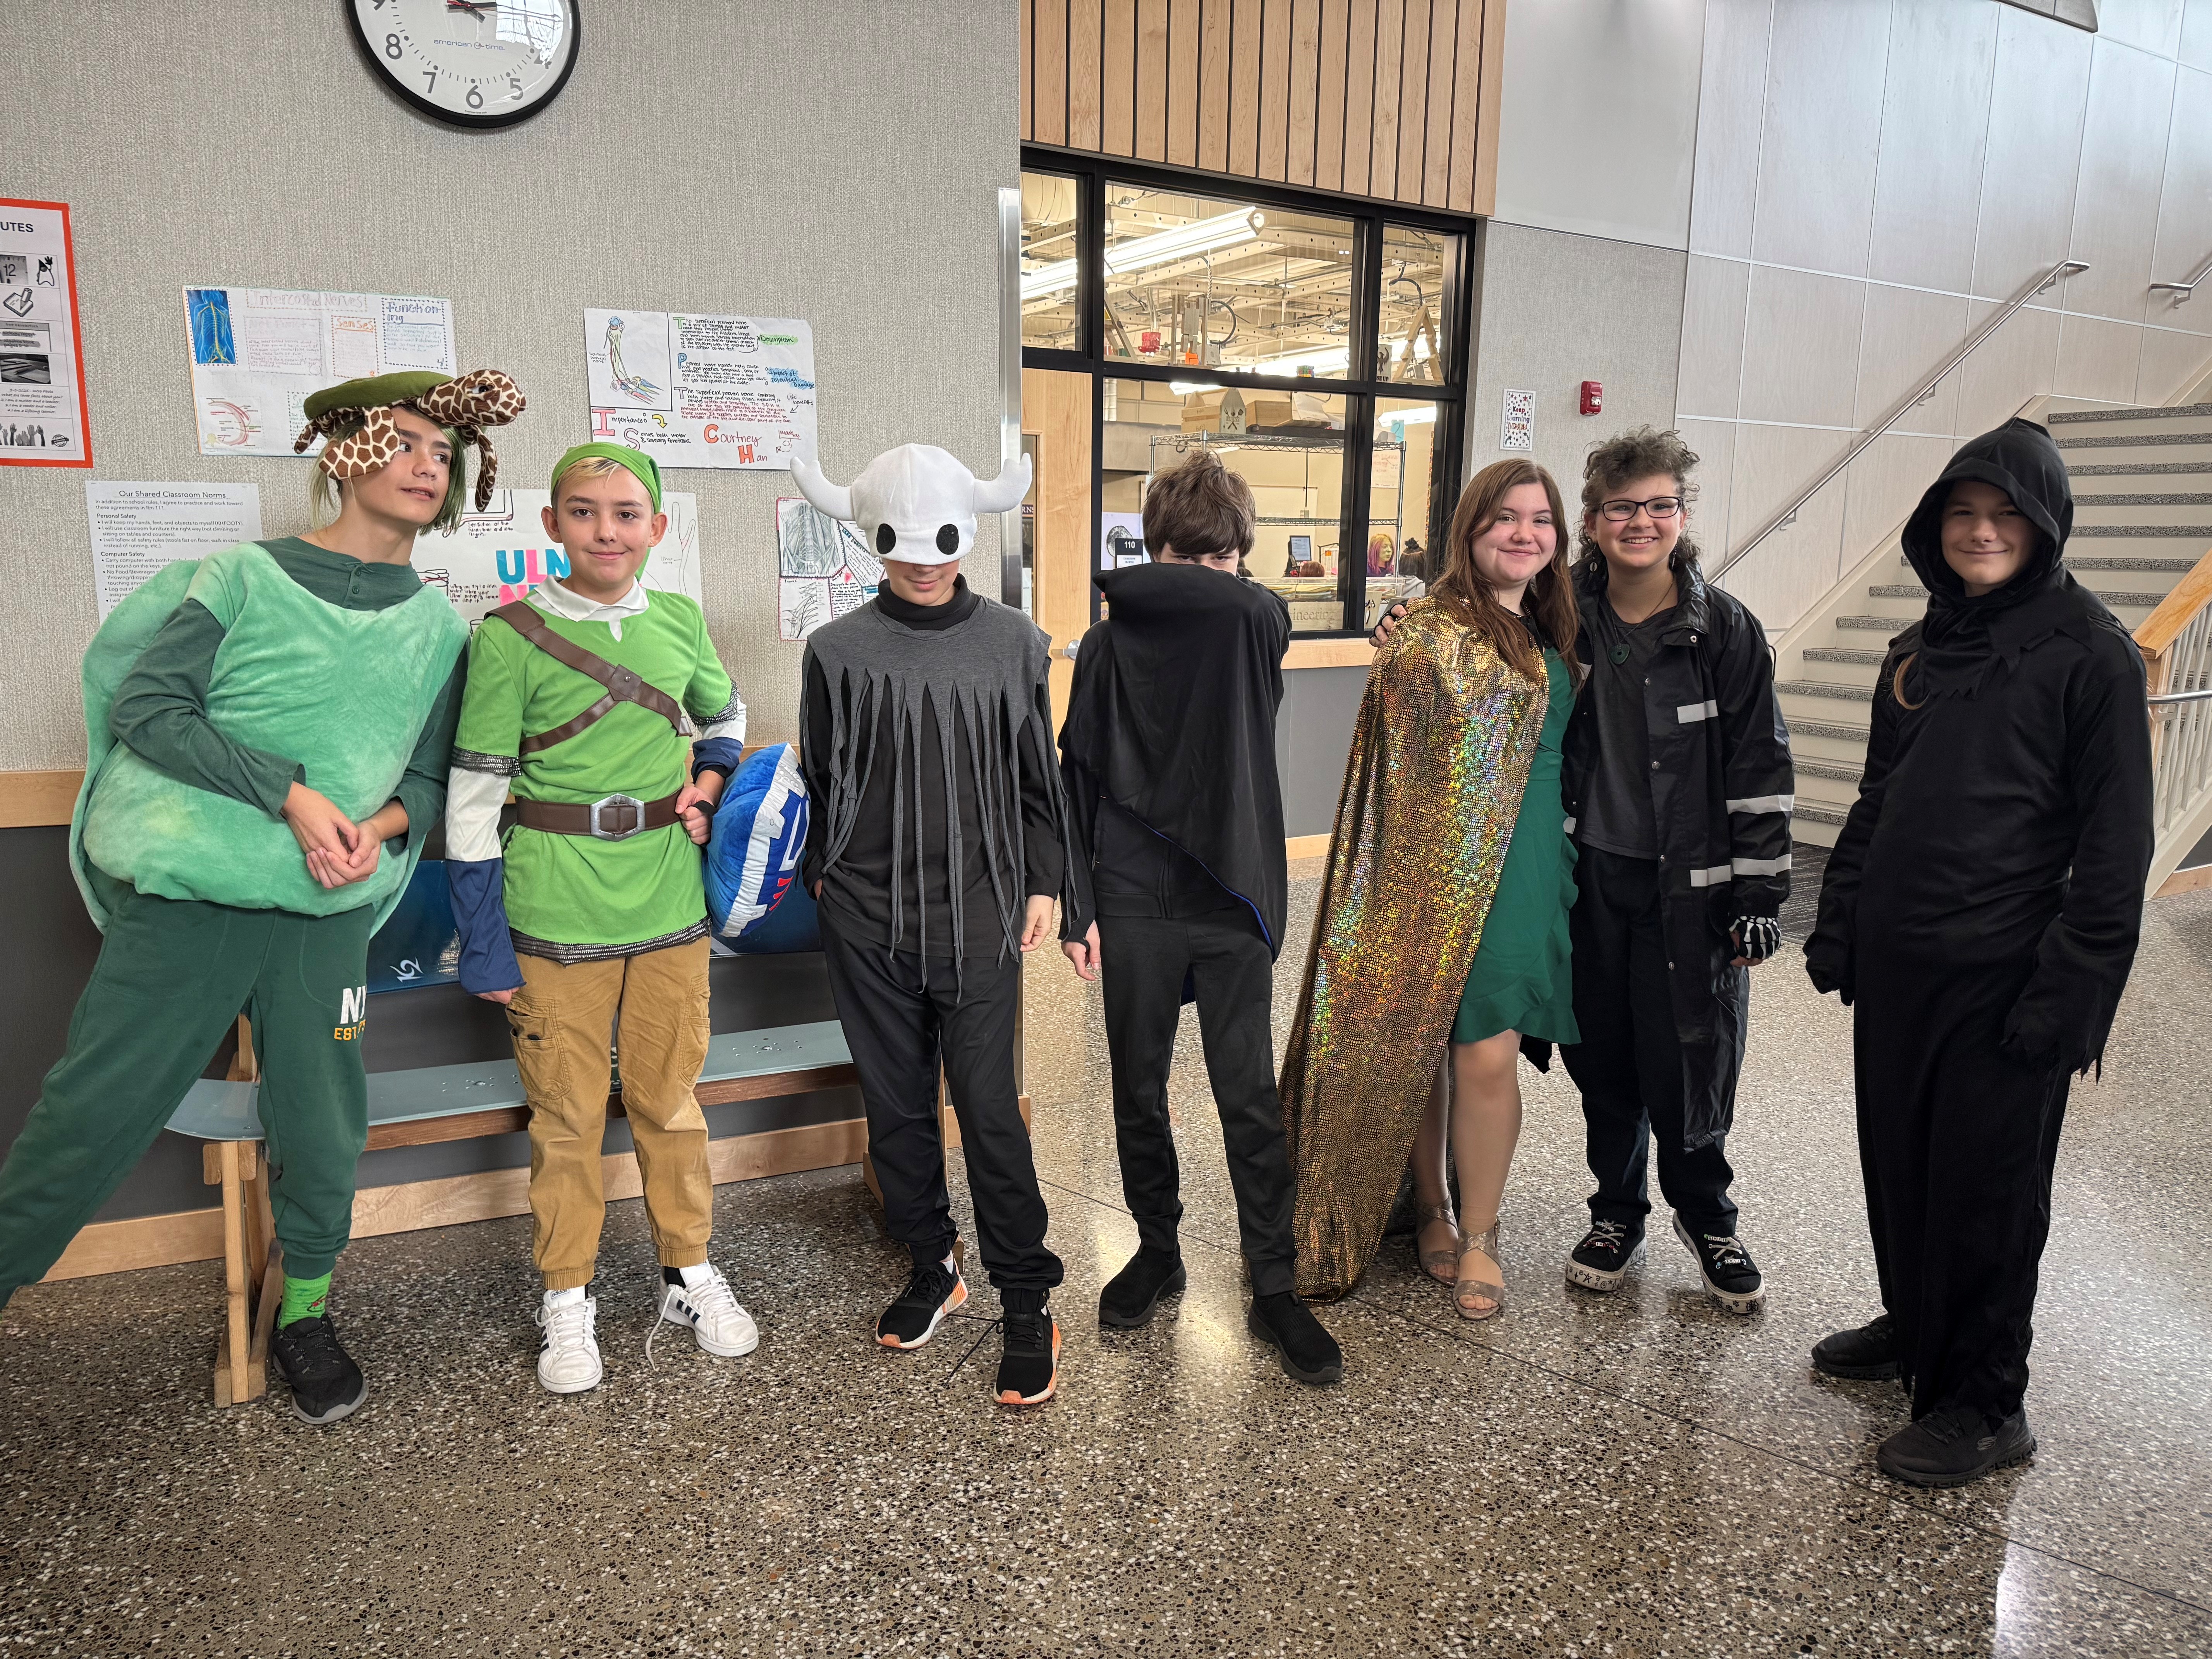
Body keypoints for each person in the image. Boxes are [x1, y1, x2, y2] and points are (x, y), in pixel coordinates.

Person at [0, 368, 524, 1423]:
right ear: (347, 453)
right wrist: (289, 795)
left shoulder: (438, 635)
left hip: (326, 918)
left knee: (325, 1123)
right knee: (92, 1112)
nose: (430, 464)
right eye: (408, 442)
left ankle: (309, 1314)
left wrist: (369, 829)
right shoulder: (241, 577)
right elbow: (150, 705)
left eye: (445, 453)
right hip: (193, 901)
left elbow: (426, 783)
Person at [1373, 426, 1790, 1315]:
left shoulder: (1725, 631)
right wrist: (1408, 612)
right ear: (1594, 522)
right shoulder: (1572, 614)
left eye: (1660, 506)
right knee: (1605, 1057)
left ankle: (1709, 1215)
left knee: (1691, 1054)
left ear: (1683, 516)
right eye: (1621, 508)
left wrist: (1760, 892)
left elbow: (1761, 765)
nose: (1642, 522)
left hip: (1692, 888)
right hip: (1591, 878)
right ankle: (1616, 1210)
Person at [1805, 419, 2152, 1486]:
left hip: (2010, 980)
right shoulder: (1921, 648)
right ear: (1935, 527)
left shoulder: (2090, 654)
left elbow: (2116, 845)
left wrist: (2073, 992)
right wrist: (1844, 915)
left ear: (2045, 527)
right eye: (1964, 513)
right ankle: (1920, 1326)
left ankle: (1986, 1401)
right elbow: (1880, 798)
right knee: (1903, 1163)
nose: (1983, 531)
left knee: (1988, 1191)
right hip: (1908, 970)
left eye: (2006, 515)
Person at [445, 443, 756, 1395]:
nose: (607, 530)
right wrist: (484, 937)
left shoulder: (677, 620)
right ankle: (568, 1295)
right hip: (553, 908)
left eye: (627, 513)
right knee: (570, 1117)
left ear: (657, 528)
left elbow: (727, 715)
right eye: (584, 512)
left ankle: (688, 1273)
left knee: (670, 1103)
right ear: (552, 526)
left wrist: (707, 783)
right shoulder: (507, 637)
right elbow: (471, 797)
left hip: (668, 903)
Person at [792, 443, 1074, 1409]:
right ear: (871, 538)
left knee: (991, 1107)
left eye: (940, 545)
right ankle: (932, 1264)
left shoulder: (1016, 643)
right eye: (902, 545)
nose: (923, 564)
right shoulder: (833, 651)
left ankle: (1027, 1292)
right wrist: (825, 877)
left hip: (983, 911)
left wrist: (1047, 882)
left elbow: (1043, 779)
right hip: (865, 918)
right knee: (896, 1106)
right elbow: (823, 776)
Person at [1057, 449, 1343, 1384]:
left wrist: (1163, 575)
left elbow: (1244, 601)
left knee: (1245, 1099)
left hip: (1231, 894)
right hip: (1134, 894)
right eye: (1195, 559)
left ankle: (1272, 1284)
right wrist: (1080, 905)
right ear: (1161, 548)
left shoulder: (1256, 622)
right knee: (1137, 1090)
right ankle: (1158, 1248)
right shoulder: (1105, 649)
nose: (1215, 581)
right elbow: (1081, 779)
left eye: (1229, 560)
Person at [1279, 459, 1579, 1302]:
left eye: (1540, 520)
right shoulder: (1425, 630)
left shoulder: (1563, 625)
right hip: (1431, 867)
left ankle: (1482, 1231)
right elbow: (1387, 769)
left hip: (1526, 864)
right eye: (1504, 519)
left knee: (1489, 1051)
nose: (1524, 534)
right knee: (1420, 1046)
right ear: (1470, 531)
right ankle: (1433, 1205)